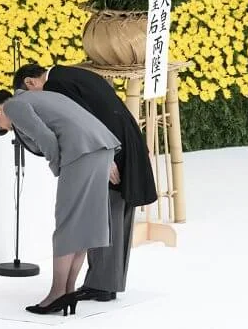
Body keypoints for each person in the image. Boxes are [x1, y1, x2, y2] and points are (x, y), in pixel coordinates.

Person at [13, 63, 157, 302]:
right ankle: (107, 283)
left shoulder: (57, 84)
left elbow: (86, 121)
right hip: (125, 139)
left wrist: (107, 159)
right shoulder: (72, 73)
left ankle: (101, 285)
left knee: (103, 215)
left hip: (108, 148)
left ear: (30, 83)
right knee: (118, 214)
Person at [0, 88, 121, 316]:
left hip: (79, 152)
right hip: (100, 147)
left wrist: (58, 168)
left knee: (67, 225)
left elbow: (46, 138)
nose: (8, 129)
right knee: (85, 224)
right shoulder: (38, 96)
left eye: (1, 127)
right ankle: (68, 291)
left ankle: (57, 294)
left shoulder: (13, 106)